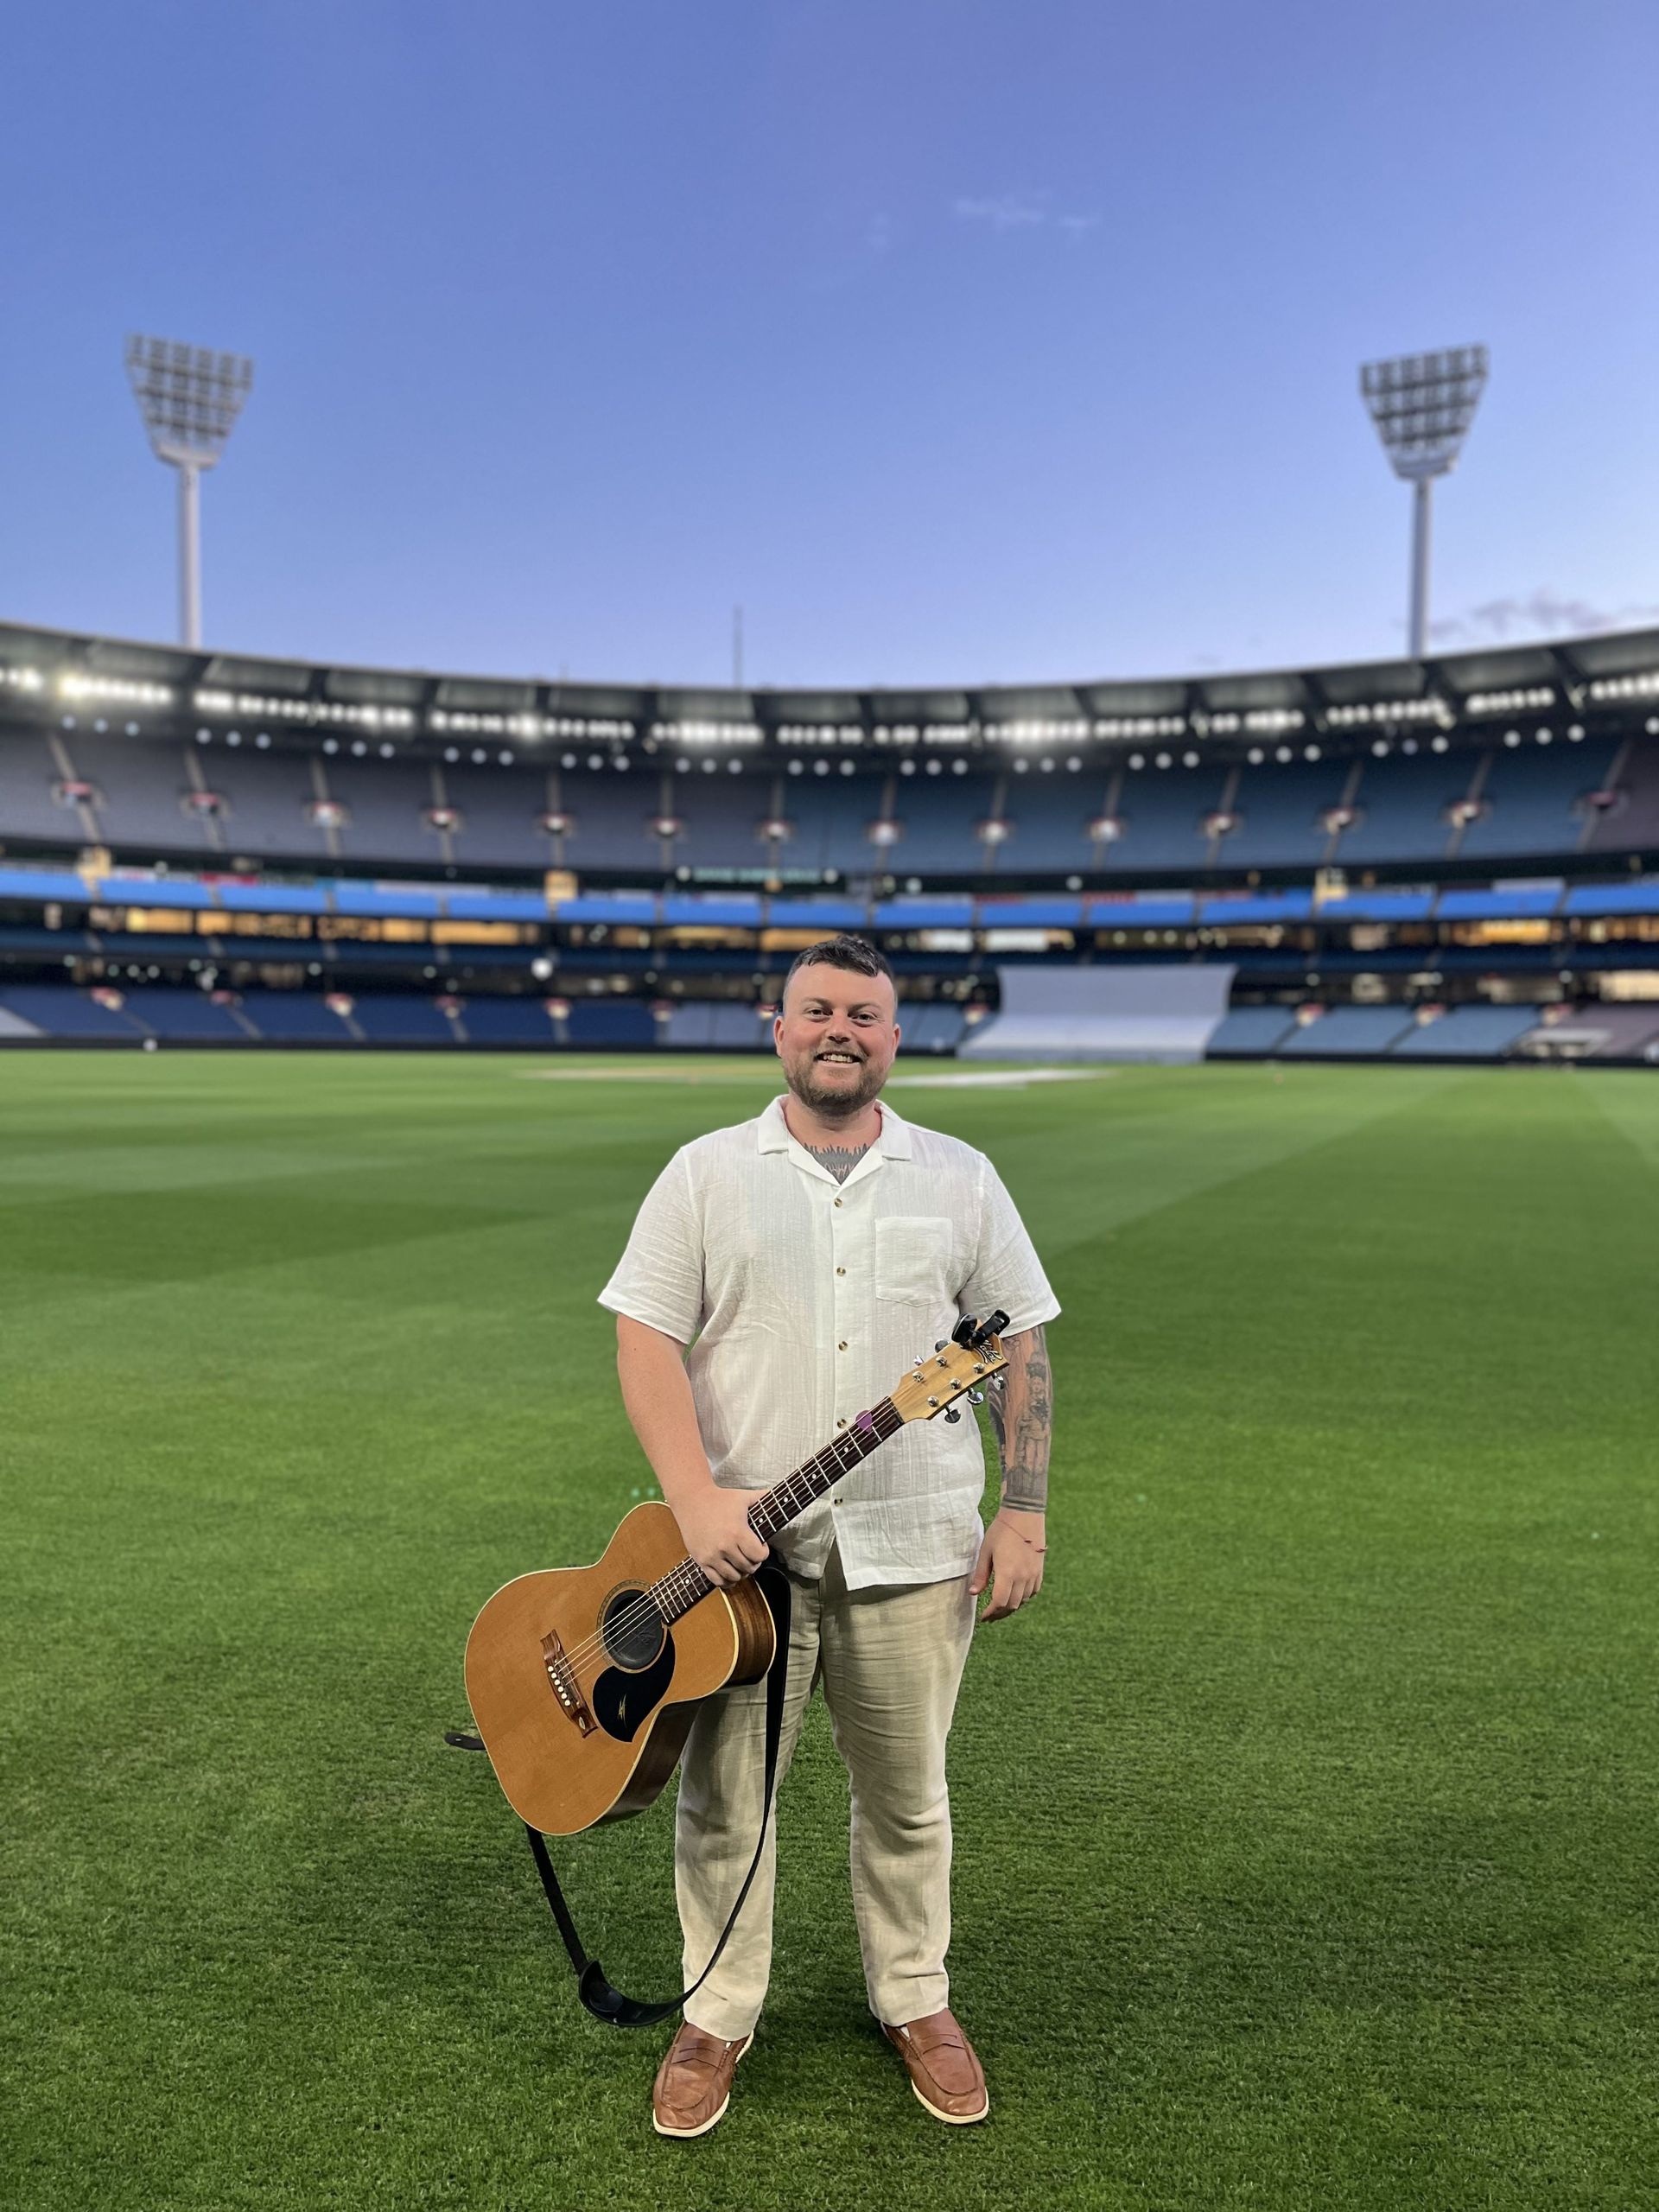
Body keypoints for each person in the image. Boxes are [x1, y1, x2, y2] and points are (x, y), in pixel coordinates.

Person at [597, 935, 1058, 2138]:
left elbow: (1019, 1344)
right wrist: (694, 1501)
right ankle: (716, 2014)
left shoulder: (960, 1176)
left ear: (893, 1038)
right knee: (723, 1806)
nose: (838, 1030)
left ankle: (915, 1996)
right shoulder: (705, 1172)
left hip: (916, 1546)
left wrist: (1023, 1508)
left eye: (862, 1013)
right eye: (817, 1011)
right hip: (739, 1567)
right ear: (781, 1029)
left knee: (908, 1799)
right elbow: (644, 1336)